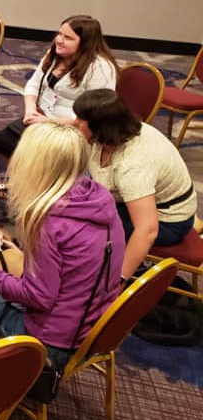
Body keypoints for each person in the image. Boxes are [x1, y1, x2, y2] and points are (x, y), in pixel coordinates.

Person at [0, 121, 125, 371]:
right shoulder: (98, 196)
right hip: (92, 327)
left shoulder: (49, 223)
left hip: (49, 344)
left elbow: (39, 297)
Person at [73, 89, 196, 279]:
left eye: (81, 119)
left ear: (100, 126)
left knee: (79, 222)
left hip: (168, 222)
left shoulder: (133, 165)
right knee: (73, 207)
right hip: (139, 202)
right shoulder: (116, 130)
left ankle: (96, 274)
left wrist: (120, 279)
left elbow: (147, 230)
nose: (74, 122)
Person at [0, 14, 119, 157]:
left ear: (85, 43)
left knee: (32, 154)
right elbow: (33, 84)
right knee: (4, 142)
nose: (59, 40)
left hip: (71, 130)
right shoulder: (54, 54)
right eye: (59, 34)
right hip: (43, 118)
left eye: (68, 38)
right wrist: (30, 109)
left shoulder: (101, 68)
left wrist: (50, 121)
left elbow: (93, 113)